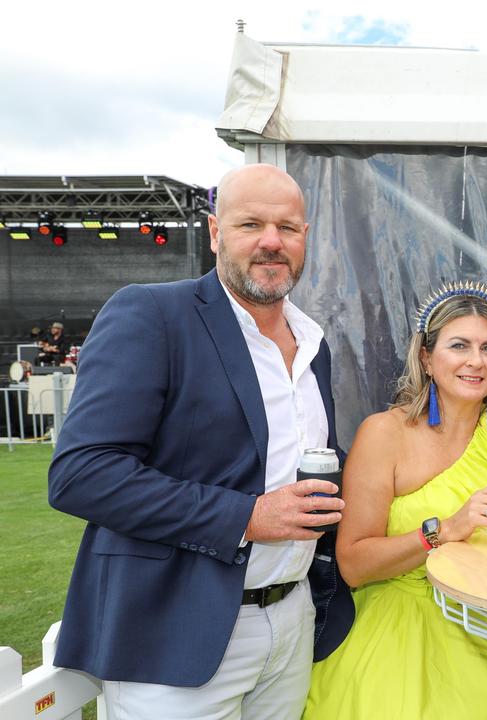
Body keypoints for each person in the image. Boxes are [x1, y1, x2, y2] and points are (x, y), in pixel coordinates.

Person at [47, 163, 351, 719]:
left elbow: (305, 461)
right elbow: (81, 474)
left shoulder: (313, 342)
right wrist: (246, 517)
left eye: (287, 227)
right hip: (174, 634)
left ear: (305, 237)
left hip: (292, 621)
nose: (270, 241)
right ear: (215, 233)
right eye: (250, 224)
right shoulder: (153, 314)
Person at [304, 283, 487, 719]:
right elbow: (352, 565)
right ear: (426, 357)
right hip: (402, 633)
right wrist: (443, 530)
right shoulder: (383, 434)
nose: (475, 361)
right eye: (459, 345)